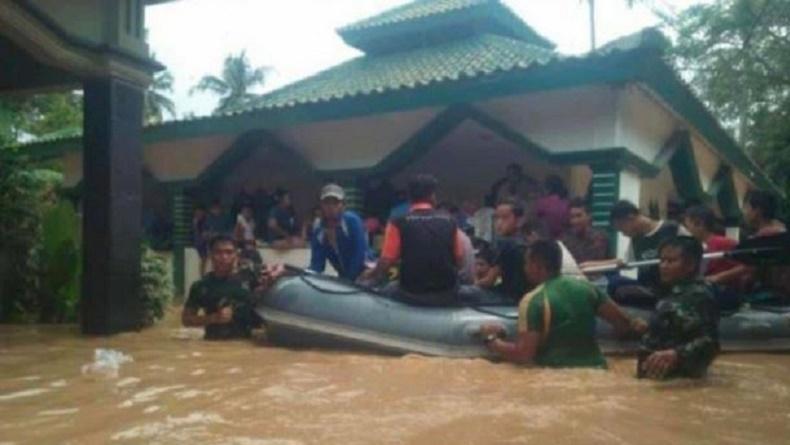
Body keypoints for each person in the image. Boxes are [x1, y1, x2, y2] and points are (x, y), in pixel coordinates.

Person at [479, 240, 646, 368]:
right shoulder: (588, 289)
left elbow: (523, 355)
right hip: (597, 368)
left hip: (556, 374)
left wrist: (491, 339)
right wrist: (638, 325)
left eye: (526, 263)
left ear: (537, 266)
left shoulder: (533, 300)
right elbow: (625, 326)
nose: (524, 268)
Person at [358, 174, 465, 306]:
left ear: (409, 197)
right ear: (432, 196)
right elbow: (460, 260)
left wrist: (370, 274)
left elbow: (387, 261)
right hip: (447, 292)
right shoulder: (450, 221)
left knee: (384, 291)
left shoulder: (397, 222)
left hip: (410, 293)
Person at [639, 236, 719, 379]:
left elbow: (710, 341)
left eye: (671, 261)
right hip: (656, 374)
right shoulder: (672, 291)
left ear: (690, 264)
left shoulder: (698, 296)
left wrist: (676, 354)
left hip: (679, 378)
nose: (663, 266)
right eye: (662, 260)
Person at [582, 200, 689, 304]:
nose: (623, 234)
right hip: (647, 288)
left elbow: (694, 253)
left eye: (622, 229)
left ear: (630, 218)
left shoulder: (672, 229)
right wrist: (587, 266)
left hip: (672, 287)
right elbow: (624, 263)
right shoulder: (636, 240)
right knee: (614, 283)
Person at [182, 235, 266, 340]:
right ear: (210, 255)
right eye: (218, 252)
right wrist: (214, 318)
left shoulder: (251, 279)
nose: (224, 257)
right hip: (213, 344)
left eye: (229, 252)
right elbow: (186, 320)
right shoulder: (201, 286)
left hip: (248, 342)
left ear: (236, 255)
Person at [727, 190, 790, 304]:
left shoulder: (765, 238)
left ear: (757, 210)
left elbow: (749, 267)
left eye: (746, 207)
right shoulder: (782, 230)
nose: (744, 213)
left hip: (774, 296)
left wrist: (716, 278)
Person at [682, 205, 742, 307]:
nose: (685, 231)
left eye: (687, 227)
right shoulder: (693, 247)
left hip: (723, 292)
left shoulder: (725, 243)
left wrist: (718, 277)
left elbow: (747, 266)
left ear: (699, 224)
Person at [308, 184, 370, 281]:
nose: (331, 207)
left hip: (366, 272)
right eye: (327, 203)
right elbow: (317, 265)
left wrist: (348, 281)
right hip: (344, 277)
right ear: (321, 205)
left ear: (343, 206)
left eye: (335, 203)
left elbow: (359, 255)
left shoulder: (352, 221)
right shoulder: (319, 230)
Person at [475, 198, 530, 303]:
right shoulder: (526, 241)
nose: (499, 223)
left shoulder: (506, 244)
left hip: (508, 298)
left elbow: (489, 281)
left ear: (519, 221)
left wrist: (474, 284)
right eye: (497, 218)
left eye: (505, 218)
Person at [561, 197, 609, 264]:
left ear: (589, 216)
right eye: (572, 217)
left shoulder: (600, 238)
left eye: (579, 216)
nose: (575, 221)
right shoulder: (566, 240)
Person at [533, 174, 570, 239]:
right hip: (565, 238)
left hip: (546, 238)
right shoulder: (567, 203)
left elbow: (534, 221)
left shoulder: (542, 203)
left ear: (548, 188)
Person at [192, 205, 209, 276]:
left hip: (205, 243)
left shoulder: (206, 221)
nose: (199, 214)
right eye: (197, 213)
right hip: (200, 243)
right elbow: (196, 235)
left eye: (200, 212)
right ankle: (202, 275)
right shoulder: (195, 222)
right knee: (203, 259)